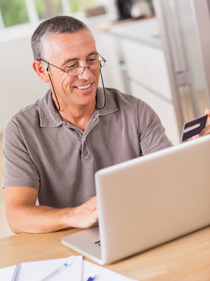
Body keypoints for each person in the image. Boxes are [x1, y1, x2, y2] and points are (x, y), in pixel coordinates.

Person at [3, 16, 210, 234]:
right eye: (71, 65)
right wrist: (75, 215)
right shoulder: (20, 130)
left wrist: (197, 152)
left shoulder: (136, 111)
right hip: (69, 241)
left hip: (138, 228)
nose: (86, 74)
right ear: (41, 71)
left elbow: (172, 182)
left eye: (91, 60)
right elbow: (16, 216)